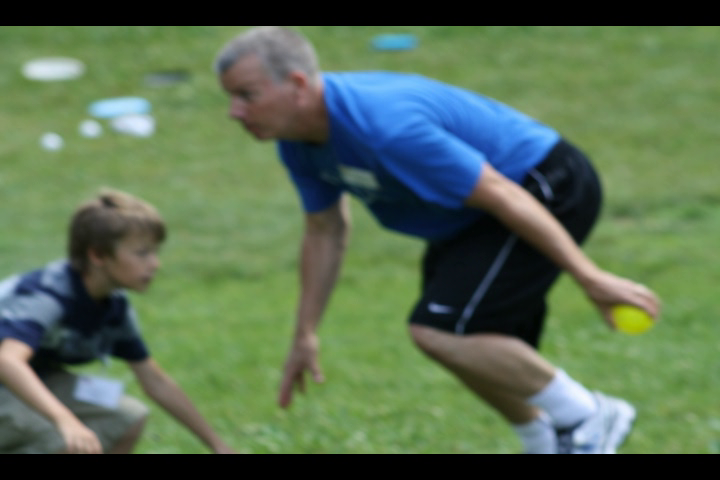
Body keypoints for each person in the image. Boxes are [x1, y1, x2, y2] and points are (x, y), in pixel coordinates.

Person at [214, 26, 661, 454]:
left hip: (541, 184)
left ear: (297, 84)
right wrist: (305, 332)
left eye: (247, 95)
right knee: (465, 339)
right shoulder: (297, 140)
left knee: (443, 330)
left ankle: (588, 415)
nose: (235, 112)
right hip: (469, 217)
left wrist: (588, 277)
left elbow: (500, 192)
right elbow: (325, 229)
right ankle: (543, 439)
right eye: (231, 97)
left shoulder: (385, 126)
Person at [0, 189, 235, 454]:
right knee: (64, 441)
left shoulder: (113, 305)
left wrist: (218, 445)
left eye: (155, 252)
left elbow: (154, 381)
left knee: (128, 417)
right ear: (98, 255)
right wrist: (65, 420)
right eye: (142, 253)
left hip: (35, 379)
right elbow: (8, 361)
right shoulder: (47, 295)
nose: (155, 264)